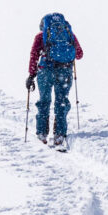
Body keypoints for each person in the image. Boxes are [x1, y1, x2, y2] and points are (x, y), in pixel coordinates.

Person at [25, 12, 83, 148]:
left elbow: (34, 55)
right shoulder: (69, 35)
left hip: (45, 71)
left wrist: (31, 75)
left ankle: (42, 134)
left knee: (44, 101)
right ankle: (59, 135)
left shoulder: (40, 37)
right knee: (61, 102)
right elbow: (79, 54)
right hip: (65, 71)